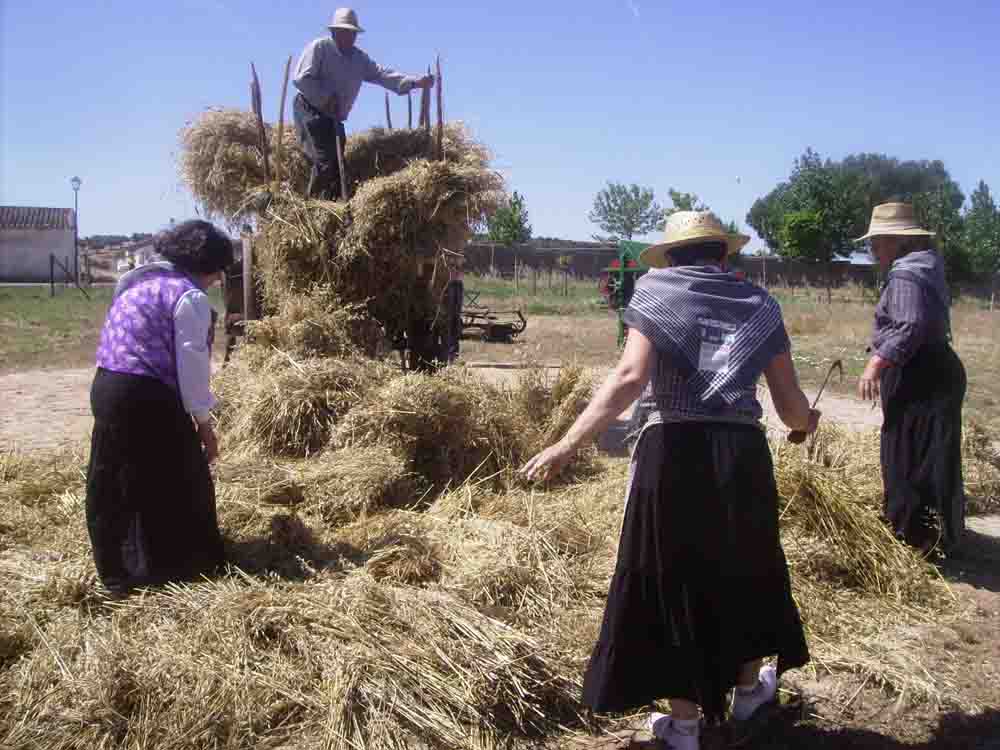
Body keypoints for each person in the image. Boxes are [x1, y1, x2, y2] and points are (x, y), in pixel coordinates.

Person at [521, 212, 819, 749]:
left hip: (673, 451)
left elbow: (631, 377)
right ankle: (748, 691)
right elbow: (792, 406)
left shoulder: (656, 291)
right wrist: (806, 424)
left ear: (671, 256)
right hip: (741, 455)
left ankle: (684, 726)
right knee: (746, 567)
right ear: (723, 255)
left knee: (671, 576)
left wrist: (567, 444)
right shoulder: (760, 303)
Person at [86, 219, 233, 596]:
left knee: (114, 475)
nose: (219, 278)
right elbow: (192, 368)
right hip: (146, 393)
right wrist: (204, 425)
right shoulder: (189, 297)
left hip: (106, 386)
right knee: (182, 474)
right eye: (218, 269)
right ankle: (182, 565)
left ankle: (118, 572)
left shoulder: (136, 283)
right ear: (204, 263)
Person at [856, 202, 966, 552]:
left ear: (898, 242)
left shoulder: (905, 273)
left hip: (919, 372)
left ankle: (912, 537)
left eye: (877, 242)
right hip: (938, 367)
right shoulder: (927, 266)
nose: (872, 250)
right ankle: (937, 533)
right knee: (931, 452)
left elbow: (908, 325)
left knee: (906, 453)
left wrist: (876, 363)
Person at [292, 8, 435, 199]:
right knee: (325, 161)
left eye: (352, 33)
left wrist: (414, 82)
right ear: (334, 32)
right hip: (310, 110)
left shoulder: (359, 59)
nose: (349, 37)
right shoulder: (320, 48)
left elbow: (381, 74)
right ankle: (311, 206)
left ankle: (330, 203)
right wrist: (325, 97)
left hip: (333, 117)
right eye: (344, 32)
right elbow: (301, 79)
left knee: (338, 167)